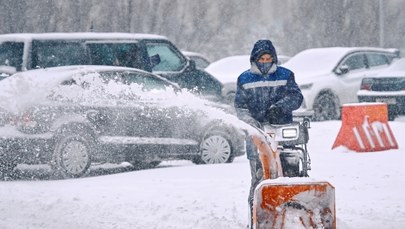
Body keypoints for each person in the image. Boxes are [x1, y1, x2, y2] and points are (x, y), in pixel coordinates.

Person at [234, 39, 303, 228]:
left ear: (274, 58)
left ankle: (297, 211)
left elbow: (296, 96)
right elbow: (240, 106)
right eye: (261, 58)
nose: (265, 61)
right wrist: (250, 123)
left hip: (281, 130)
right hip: (257, 134)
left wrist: (280, 108)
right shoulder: (244, 79)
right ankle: (256, 218)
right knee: (258, 178)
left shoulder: (286, 75)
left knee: (292, 173)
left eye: (268, 58)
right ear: (254, 59)